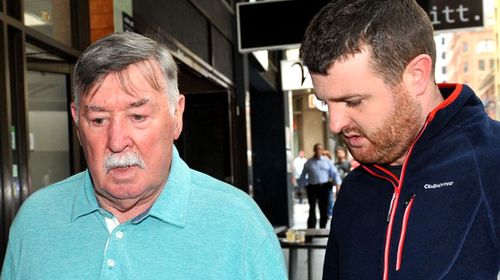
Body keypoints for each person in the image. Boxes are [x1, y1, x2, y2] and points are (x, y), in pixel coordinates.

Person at [1, 32, 287, 280]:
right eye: (99, 120)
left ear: (177, 116)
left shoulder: (240, 226)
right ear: (77, 123)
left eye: (137, 116)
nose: (117, 141)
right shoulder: (34, 222)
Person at [300, 0, 500, 279]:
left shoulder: (492, 161)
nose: (335, 124)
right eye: (326, 103)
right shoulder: (355, 188)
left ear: (416, 75)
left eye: (353, 101)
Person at [298, 143, 341, 228]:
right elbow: (303, 176)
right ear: (314, 150)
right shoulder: (309, 162)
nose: (318, 150)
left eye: (320, 149)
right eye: (317, 149)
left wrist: (338, 185)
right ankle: (311, 228)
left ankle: (322, 227)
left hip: (324, 187)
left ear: (322, 150)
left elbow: (334, 174)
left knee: (323, 208)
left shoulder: (327, 162)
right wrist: (300, 188)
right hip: (312, 187)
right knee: (312, 208)